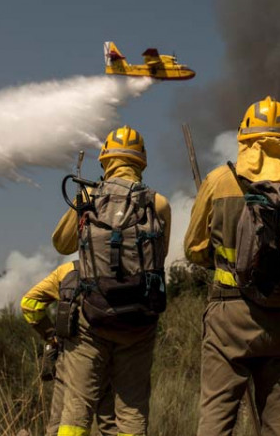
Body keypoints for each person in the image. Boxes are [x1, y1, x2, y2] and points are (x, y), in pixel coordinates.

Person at [184, 96, 280, 436]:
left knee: (217, 414)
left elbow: (193, 249)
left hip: (230, 314)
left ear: (244, 136)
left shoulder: (219, 181)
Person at [51, 125, 172, 436]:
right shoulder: (158, 204)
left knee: (77, 408)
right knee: (131, 410)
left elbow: (61, 244)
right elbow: (160, 255)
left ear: (105, 159)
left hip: (92, 316)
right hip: (138, 321)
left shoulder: (89, 196)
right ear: (141, 161)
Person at [21, 261, 117, 436]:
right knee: (112, 425)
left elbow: (29, 304)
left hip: (72, 359)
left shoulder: (68, 270)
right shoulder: (127, 269)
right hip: (117, 356)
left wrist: (51, 336)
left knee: (63, 422)